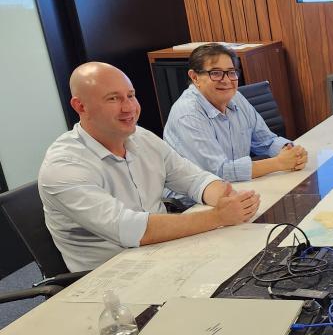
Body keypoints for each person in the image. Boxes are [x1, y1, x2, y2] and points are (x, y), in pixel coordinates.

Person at [38, 62, 260, 272]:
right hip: (112, 277)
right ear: (80, 106)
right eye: (113, 99)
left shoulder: (141, 137)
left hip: (166, 253)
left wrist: (225, 197)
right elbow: (128, 228)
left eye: (131, 96)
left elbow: (193, 178)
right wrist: (218, 217)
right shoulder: (63, 166)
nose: (129, 108)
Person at [163, 43, 307, 201]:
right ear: (195, 77)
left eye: (231, 72)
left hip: (236, 189)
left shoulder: (235, 97)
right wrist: (279, 163)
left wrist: (291, 152)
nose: (226, 80)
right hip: (191, 204)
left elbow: (266, 140)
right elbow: (219, 172)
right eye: (216, 73)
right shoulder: (188, 114)